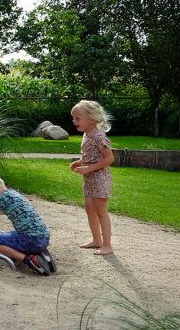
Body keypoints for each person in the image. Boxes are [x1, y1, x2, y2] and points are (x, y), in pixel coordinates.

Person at [70, 100, 115, 256]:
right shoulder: (87, 134)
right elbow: (91, 155)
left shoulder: (98, 136)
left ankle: (107, 245)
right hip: (90, 179)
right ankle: (97, 241)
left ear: (91, 119)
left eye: (77, 118)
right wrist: (80, 162)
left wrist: (88, 168)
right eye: (74, 118)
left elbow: (109, 158)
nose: (74, 121)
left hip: (100, 179)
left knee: (101, 211)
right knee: (89, 208)